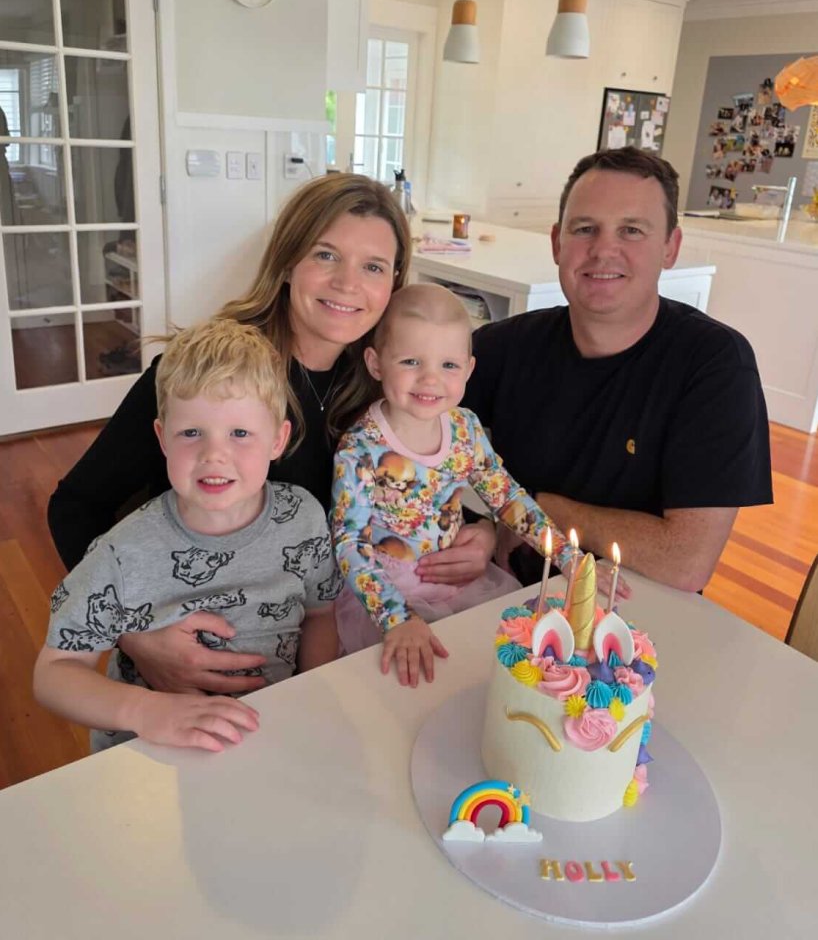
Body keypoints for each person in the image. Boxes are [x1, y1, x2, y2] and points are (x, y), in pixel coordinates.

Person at [47, 173, 496, 695]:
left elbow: (417, 483)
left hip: (332, 644)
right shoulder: (208, 378)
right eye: (325, 255)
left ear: (393, 283)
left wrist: (478, 531)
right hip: (197, 671)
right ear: (287, 262)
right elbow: (74, 508)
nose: (347, 284)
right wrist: (136, 636)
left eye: (372, 266)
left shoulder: (391, 379)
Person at [463, 146, 773, 594]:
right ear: (557, 243)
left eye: (631, 230)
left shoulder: (715, 364)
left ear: (671, 247)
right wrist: (483, 526)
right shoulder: (500, 346)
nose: (603, 250)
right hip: (500, 599)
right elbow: (411, 445)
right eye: (585, 229)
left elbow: (686, 560)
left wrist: (538, 510)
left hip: (638, 619)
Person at [34, 319, 341, 753]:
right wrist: (144, 711)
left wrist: (309, 697)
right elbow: (54, 672)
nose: (214, 454)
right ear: (162, 438)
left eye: (240, 433)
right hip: (152, 757)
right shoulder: (122, 551)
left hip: (271, 739)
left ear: (278, 439)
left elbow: (320, 615)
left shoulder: (304, 518)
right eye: (191, 432)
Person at [331, 284, 582, 688]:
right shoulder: (361, 448)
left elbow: (508, 498)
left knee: (489, 673)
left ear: (468, 369)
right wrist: (398, 618)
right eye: (411, 361)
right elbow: (348, 543)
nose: (430, 379)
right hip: (390, 597)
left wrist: (571, 557)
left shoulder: (465, 428)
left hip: (460, 583)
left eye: (448, 365)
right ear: (376, 364)